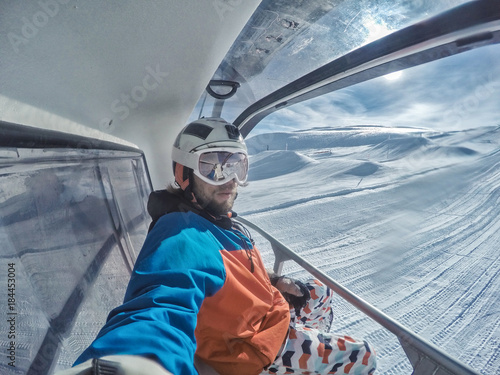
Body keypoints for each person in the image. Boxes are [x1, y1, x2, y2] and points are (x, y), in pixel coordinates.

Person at [59, 117, 376, 375]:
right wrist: (138, 363)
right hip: (259, 347)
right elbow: (162, 304)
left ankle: (307, 339)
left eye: (237, 165)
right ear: (184, 173)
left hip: (263, 312)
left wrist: (275, 281)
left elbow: (234, 268)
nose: (230, 179)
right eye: (213, 167)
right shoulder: (182, 232)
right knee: (363, 357)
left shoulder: (217, 218)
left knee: (320, 293)